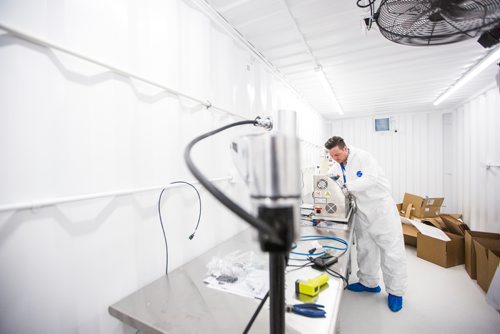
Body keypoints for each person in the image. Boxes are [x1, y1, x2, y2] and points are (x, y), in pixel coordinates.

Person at [325, 136, 407, 312]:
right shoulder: (338, 164)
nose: (335, 159)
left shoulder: (363, 157)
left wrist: (346, 186)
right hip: (362, 210)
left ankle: (396, 292)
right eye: (332, 156)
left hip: (380, 209)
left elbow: (371, 179)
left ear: (345, 148)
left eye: (337, 155)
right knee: (365, 248)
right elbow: (330, 179)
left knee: (391, 251)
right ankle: (369, 282)